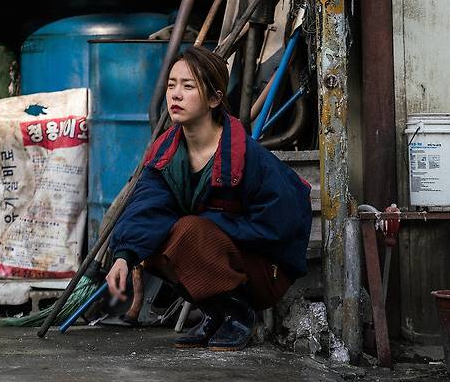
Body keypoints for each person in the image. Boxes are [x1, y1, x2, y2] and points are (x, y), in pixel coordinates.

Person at [105, 46, 312, 351]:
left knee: (189, 231)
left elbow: (285, 221)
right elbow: (147, 207)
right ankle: (216, 313)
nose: (175, 95)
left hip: (265, 270)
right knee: (150, 246)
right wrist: (124, 255)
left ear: (215, 99)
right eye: (171, 85)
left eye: (188, 86)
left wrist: (215, 224)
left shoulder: (245, 156)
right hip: (216, 257)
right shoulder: (166, 153)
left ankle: (239, 314)